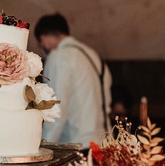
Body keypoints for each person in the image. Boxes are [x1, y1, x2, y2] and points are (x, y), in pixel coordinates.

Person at [34, 13, 112, 147]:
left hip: (77, 145)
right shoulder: (94, 55)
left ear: (43, 39)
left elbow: (56, 109)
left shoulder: (58, 57)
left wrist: (43, 146)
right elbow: (107, 103)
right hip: (104, 143)